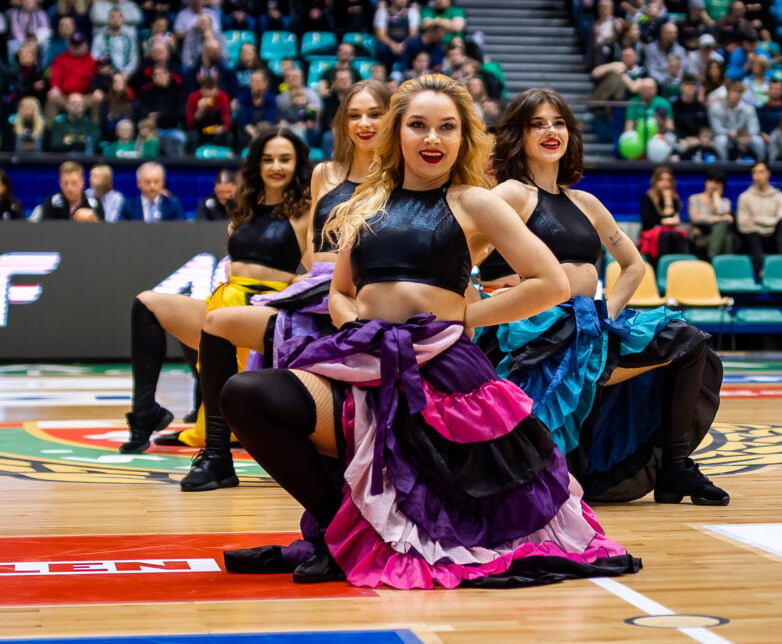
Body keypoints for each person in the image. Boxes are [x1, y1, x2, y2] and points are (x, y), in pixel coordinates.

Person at [217, 75, 640, 587]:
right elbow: (341, 290)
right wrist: (352, 321)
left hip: (441, 372)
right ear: (398, 133)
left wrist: (469, 318)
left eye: (447, 127)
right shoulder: (368, 201)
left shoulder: (475, 202)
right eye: (418, 126)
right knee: (246, 393)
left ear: (464, 138)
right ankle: (336, 531)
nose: (432, 139)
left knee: (461, 500)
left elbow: (549, 281)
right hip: (361, 357)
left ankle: (345, 542)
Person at [476, 88, 727, 506]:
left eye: (558, 123)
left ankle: (675, 467)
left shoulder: (586, 202)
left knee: (688, 341)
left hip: (588, 321)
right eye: (537, 124)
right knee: (545, 478)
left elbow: (633, 265)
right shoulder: (509, 195)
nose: (550, 131)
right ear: (519, 136)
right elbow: (469, 256)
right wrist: (495, 294)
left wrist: (605, 314)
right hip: (532, 334)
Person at [177, 81, 391, 491]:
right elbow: (313, 254)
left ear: (391, 117)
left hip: (369, 293)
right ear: (341, 122)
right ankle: (217, 458)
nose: (364, 123)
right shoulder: (325, 174)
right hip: (317, 292)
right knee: (217, 322)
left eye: (375, 114)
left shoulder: (400, 176)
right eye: (354, 114)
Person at [119, 129, 312, 457]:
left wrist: (293, 284)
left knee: (216, 327)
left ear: (297, 164)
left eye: (284, 159)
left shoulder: (305, 210)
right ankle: (145, 414)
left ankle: (218, 425)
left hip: (263, 310)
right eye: (268, 159)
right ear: (256, 164)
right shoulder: (248, 204)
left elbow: (317, 270)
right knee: (147, 304)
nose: (276, 166)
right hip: (225, 298)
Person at [737, 161, 782, 276]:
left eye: (761, 172)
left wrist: (757, 219)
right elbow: (743, 225)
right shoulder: (744, 197)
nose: (757, 176)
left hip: (773, 239)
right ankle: (761, 270)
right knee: (753, 233)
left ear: (768, 173)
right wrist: (771, 221)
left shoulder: (778, 196)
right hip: (753, 240)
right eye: (754, 173)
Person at [639, 165, 690, 259]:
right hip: (651, 234)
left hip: (669, 233)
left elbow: (674, 219)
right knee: (665, 236)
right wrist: (666, 221)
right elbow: (648, 222)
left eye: (668, 180)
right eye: (661, 179)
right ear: (655, 181)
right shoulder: (647, 198)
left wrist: (668, 200)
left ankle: (677, 264)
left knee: (677, 235)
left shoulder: (674, 199)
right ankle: (661, 267)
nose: (665, 183)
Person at [34, 161, 104, 222]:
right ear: (60, 183)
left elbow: (104, 232)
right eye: (65, 183)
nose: (69, 187)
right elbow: (44, 231)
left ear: (82, 182)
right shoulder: (52, 202)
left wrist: (93, 219)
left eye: (74, 183)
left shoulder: (94, 203)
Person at [688, 169, 735, 259]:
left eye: (717, 182)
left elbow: (727, 219)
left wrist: (717, 198)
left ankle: (713, 258)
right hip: (702, 235)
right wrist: (720, 218)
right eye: (710, 181)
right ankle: (721, 264)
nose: (713, 185)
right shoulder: (695, 198)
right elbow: (695, 218)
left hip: (718, 236)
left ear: (722, 185)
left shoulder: (725, 201)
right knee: (726, 237)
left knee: (724, 232)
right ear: (705, 182)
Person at [119, 162, 186, 222]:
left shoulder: (173, 204)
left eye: (156, 182)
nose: (152, 186)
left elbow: (182, 229)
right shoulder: (128, 205)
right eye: (147, 182)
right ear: (138, 184)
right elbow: (120, 230)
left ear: (163, 182)